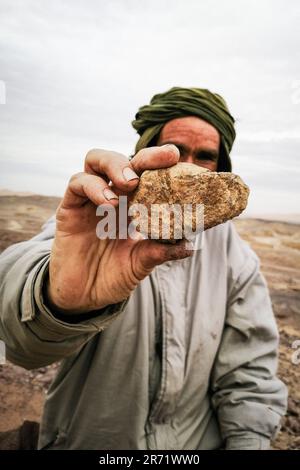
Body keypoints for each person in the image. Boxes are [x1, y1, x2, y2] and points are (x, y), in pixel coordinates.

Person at [0, 87, 287, 450]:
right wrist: (59, 302)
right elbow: (17, 341)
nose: (189, 167)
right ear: (147, 153)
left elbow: (250, 372)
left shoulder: (236, 257)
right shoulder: (100, 219)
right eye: (175, 152)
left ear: (221, 170)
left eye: (205, 157)